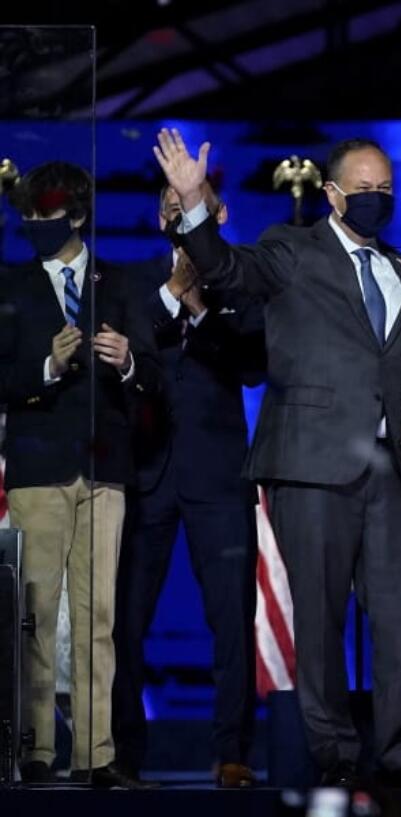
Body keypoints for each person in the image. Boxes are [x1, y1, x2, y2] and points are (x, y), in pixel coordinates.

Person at [153, 128, 401, 788]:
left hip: (389, 465)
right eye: (364, 190)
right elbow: (226, 269)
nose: (377, 199)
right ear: (331, 194)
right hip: (310, 463)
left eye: (385, 190)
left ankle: (399, 747)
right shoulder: (289, 249)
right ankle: (336, 751)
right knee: (318, 617)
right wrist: (192, 206)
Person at [0, 161, 159, 788]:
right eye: (29, 218)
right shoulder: (10, 286)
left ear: (80, 216)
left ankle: (95, 753)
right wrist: (45, 365)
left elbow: (151, 383)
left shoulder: (116, 284)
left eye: (48, 217)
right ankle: (36, 750)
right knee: (35, 615)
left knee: (97, 619)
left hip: (104, 469)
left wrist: (124, 366)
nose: (36, 227)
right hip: (39, 468)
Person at [112, 181, 266, 788]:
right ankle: (123, 752)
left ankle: (232, 752)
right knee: (127, 620)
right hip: (147, 472)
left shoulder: (241, 277)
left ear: (219, 213)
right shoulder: (130, 283)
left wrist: (204, 308)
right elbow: (126, 357)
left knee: (231, 619)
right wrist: (174, 298)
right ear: (158, 217)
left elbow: (254, 365)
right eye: (172, 207)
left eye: (193, 205)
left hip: (220, 473)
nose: (181, 215)